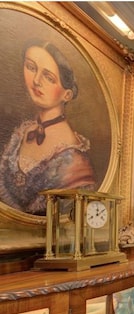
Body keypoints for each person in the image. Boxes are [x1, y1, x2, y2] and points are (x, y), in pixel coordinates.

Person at [0, 40, 96, 215]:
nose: (36, 81)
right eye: (31, 67)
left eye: (49, 77)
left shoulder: (74, 160)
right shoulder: (22, 133)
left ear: (67, 94)